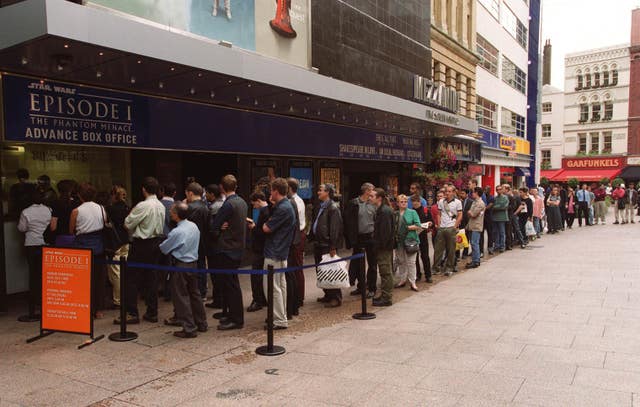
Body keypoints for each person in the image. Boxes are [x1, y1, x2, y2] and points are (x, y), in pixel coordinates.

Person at [120, 177, 166, 324]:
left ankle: (132, 313)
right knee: (151, 277)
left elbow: (127, 224)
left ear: (144, 189)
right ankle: (152, 311)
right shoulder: (161, 205)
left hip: (141, 243)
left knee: (131, 279)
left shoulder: (143, 205)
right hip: (156, 242)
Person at [159, 202, 207, 338]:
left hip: (181, 265)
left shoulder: (177, 231)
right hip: (193, 263)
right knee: (195, 294)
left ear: (177, 215)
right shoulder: (193, 226)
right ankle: (201, 323)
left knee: (181, 296)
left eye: (172, 211)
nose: (170, 213)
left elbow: (164, 248)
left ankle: (189, 328)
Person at [210, 174, 248, 330]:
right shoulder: (242, 202)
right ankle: (231, 314)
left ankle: (236, 319)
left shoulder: (228, 205)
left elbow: (214, 227)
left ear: (222, 188)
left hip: (227, 248)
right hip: (238, 247)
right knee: (231, 284)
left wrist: (219, 228)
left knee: (231, 285)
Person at [69, 183, 107, 318]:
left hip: (82, 247)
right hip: (99, 246)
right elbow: (105, 224)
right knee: (99, 279)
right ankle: (99, 310)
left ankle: (86, 308)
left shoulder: (76, 211)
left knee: (83, 281)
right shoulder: (101, 208)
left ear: (79, 195)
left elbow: (71, 230)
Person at [262, 178, 297, 330]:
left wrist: (266, 215)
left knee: (272, 288)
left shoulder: (283, 208)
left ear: (276, 191)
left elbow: (266, 228)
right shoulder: (285, 205)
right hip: (281, 252)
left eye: (271, 190)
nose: (270, 193)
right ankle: (281, 316)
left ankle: (279, 320)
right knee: (280, 287)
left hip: (274, 252)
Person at [17, 190, 52, 319]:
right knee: (44, 274)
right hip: (45, 244)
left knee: (33, 274)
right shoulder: (49, 210)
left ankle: (34, 303)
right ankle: (44, 302)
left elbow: (22, 228)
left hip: (31, 244)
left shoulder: (26, 212)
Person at [311, 184, 344, 308]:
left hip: (326, 245)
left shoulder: (333, 208)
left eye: (321, 190)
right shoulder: (322, 206)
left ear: (328, 192)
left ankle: (335, 297)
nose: (318, 192)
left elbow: (335, 229)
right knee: (322, 272)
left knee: (330, 271)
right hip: (319, 243)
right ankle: (328, 294)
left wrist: (333, 246)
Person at [343, 183, 377, 298]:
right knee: (358, 263)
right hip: (359, 237)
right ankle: (361, 286)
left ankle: (372, 288)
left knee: (372, 264)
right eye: (372, 189)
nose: (374, 191)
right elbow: (348, 222)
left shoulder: (374, 204)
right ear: (367, 191)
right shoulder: (354, 203)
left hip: (371, 237)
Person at [185, 182, 210, 300]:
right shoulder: (206, 207)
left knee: (191, 269)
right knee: (201, 267)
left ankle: (194, 292)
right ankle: (202, 291)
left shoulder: (189, 208)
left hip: (190, 243)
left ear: (190, 193)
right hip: (204, 241)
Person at [106, 186, 130, 308]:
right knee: (124, 269)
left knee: (115, 272)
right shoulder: (127, 208)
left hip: (115, 242)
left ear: (113, 195)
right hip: (125, 240)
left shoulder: (110, 209)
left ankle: (118, 299)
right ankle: (126, 295)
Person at [371, 188, 395, 307]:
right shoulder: (382, 210)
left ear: (379, 198)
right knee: (385, 271)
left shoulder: (384, 211)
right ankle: (385, 295)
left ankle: (387, 297)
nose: (370, 198)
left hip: (384, 247)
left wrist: (380, 246)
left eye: (372, 196)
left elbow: (385, 232)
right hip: (383, 246)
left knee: (385, 271)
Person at [432, 186, 462, 277]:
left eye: (449, 191)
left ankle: (449, 267)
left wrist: (454, 226)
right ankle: (436, 268)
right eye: (446, 191)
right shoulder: (441, 201)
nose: (447, 193)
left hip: (451, 227)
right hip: (442, 228)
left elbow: (460, 215)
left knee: (451, 249)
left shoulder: (458, 202)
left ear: (453, 192)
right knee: (438, 249)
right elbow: (439, 214)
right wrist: (439, 224)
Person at [247, 192, 269, 312]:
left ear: (259, 200)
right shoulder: (267, 210)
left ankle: (258, 300)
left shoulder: (265, 212)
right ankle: (262, 298)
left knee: (256, 275)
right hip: (262, 248)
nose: (254, 206)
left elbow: (262, 233)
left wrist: (253, 227)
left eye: (254, 204)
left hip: (260, 248)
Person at [394, 194, 422, 291]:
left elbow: (418, 225)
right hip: (399, 241)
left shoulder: (412, 212)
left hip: (411, 240)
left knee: (411, 262)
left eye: (405, 201)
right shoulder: (395, 214)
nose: (404, 203)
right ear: (397, 203)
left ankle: (413, 282)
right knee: (401, 261)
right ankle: (402, 280)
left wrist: (407, 228)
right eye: (401, 202)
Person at [287, 177, 306, 308]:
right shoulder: (297, 200)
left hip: (297, 237)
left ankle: (299, 297)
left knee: (297, 267)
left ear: (289, 189)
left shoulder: (295, 202)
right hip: (298, 235)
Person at [204, 183, 224, 309]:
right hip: (221, 246)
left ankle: (218, 300)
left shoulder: (213, 208)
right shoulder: (222, 205)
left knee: (215, 275)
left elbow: (211, 228)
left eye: (207, 193)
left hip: (214, 246)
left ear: (212, 194)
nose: (205, 195)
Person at [49, 180, 79, 247]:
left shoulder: (55, 203)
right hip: (74, 238)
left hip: (60, 237)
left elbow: (53, 227)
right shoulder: (76, 203)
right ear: (70, 190)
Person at [411, 194, 432, 283]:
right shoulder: (411, 212)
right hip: (414, 236)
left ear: (420, 202)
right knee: (414, 258)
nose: (415, 203)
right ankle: (417, 274)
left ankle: (428, 275)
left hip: (423, 236)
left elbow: (432, 222)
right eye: (413, 202)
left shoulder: (426, 210)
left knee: (425, 256)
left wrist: (430, 224)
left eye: (416, 202)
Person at [466, 187, 486, 269]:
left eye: (473, 192)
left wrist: (470, 212)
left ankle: (476, 261)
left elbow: (473, 214)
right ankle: (474, 260)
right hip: (472, 225)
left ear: (477, 193)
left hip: (476, 226)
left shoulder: (480, 203)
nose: (472, 194)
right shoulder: (475, 202)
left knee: (475, 243)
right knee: (473, 243)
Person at [491, 185, 509, 253]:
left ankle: (502, 246)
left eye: (500, 189)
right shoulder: (495, 198)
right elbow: (493, 206)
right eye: (497, 189)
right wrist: (498, 206)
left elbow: (504, 206)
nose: (498, 191)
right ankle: (496, 246)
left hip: (502, 217)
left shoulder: (505, 198)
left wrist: (496, 207)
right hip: (495, 217)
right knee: (496, 232)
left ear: (502, 190)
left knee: (502, 232)